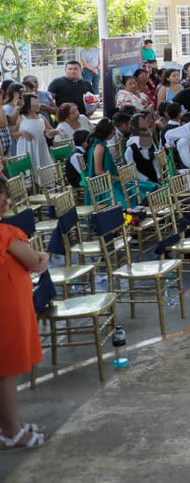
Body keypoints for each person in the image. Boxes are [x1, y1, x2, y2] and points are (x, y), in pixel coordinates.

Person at [0, 179, 51, 450]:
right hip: (6, 311)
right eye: (2, 197)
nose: (6, 201)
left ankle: (9, 425)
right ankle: (11, 432)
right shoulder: (6, 233)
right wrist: (41, 255)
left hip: (9, 305)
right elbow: (34, 261)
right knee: (6, 372)